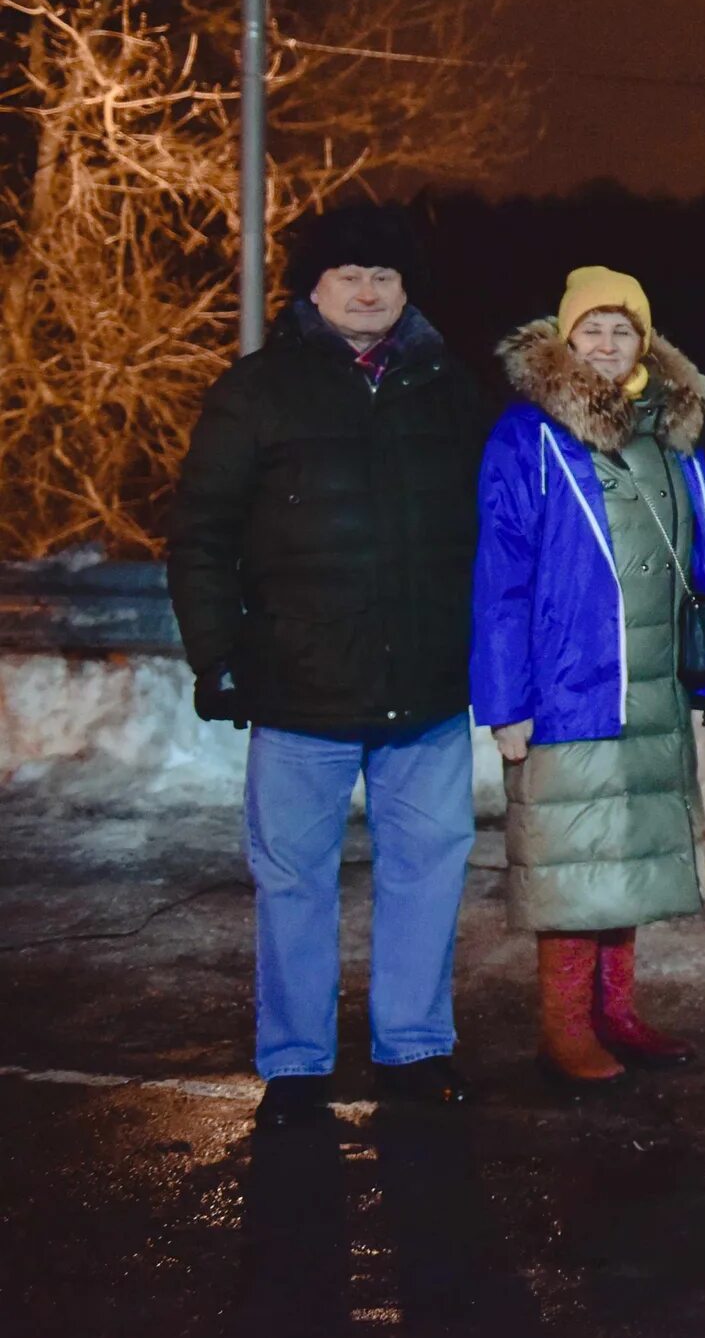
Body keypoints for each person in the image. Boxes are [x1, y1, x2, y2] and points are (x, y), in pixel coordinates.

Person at [167, 204, 490, 1126]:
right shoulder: (258, 389)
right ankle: (297, 1063)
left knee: (427, 866)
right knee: (293, 878)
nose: (366, 289)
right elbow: (200, 535)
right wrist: (217, 652)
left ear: (404, 288)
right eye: (347, 273)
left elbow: (495, 529)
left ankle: (413, 1048)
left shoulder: (447, 386)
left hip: (425, 687)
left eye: (383, 276)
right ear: (312, 287)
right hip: (299, 686)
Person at [472, 266, 705, 1087]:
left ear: (645, 343)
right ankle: (565, 1025)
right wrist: (505, 701)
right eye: (591, 327)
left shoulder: (665, 436)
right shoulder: (529, 437)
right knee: (575, 862)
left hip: (650, 684)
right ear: (563, 337)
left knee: (627, 857)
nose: (605, 342)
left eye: (622, 329)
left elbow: (702, 559)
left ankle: (616, 1012)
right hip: (568, 688)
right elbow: (501, 576)